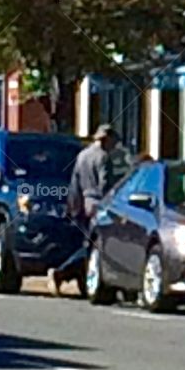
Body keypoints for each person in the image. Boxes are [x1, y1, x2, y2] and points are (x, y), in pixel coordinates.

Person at [49, 124, 120, 295]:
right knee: (95, 246)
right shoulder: (103, 157)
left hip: (83, 203)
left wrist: (73, 206)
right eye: (113, 141)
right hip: (98, 205)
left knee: (89, 244)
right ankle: (61, 272)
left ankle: (83, 279)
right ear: (106, 139)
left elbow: (75, 183)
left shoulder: (82, 156)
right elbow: (105, 184)